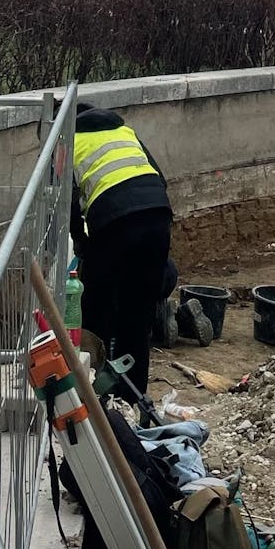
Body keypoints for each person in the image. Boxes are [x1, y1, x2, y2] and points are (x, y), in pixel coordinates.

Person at [70, 103, 173, 395]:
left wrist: (81, 242)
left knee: (95, 309)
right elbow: (160, 178)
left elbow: (65, 202)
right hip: (157, 214)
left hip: (112, 221)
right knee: (138, 316)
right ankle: (132, 397)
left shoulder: (65, 141)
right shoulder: (123, 129)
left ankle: (93, 394)